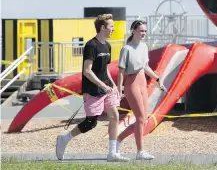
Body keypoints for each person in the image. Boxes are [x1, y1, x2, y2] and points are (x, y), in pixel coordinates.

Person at [55, 14, 130, 162]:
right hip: (93, 89)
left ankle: (112, 153)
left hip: (106, 88)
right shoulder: (91, 45)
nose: (113, 29)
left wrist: (113, 84)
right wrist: (102, 85)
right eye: (111, 26)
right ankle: (64, 139)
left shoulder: (107, 45)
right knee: (91, 123)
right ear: (103, 28)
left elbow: (105, 68)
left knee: (114, 116)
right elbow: (87, 71)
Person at [115, 20, 163, 160]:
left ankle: (118, 139)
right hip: (132, 84)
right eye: (141, 30)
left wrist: (157, 79)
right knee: (140, 117)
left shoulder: (144, 46)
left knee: (143, 119)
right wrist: (119, 89)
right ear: (134, 31)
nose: (143, 33)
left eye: (145, 31)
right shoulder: (126, 49)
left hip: (143, 83)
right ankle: (140, 151)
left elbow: (146, 66)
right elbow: (121, 72)